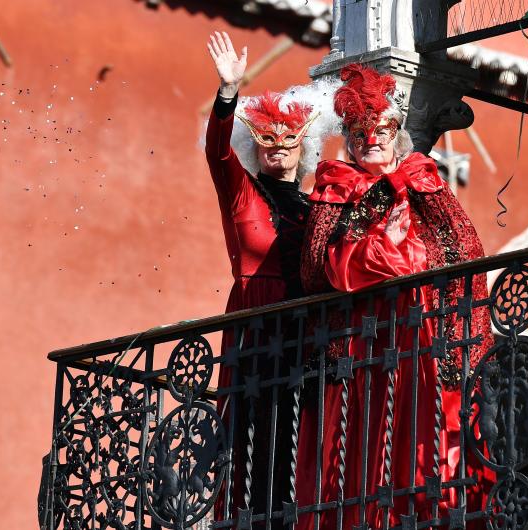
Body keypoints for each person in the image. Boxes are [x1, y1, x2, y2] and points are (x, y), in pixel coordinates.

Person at [294, 64, 493, 528]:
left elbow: (464, 251)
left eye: (380, 130)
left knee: (427, 443)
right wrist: (382, 248)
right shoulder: (335, 189)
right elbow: (315, 271)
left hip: (424, 335)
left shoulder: (425, 179)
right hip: (362, 344)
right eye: (360, 134)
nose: (371, 141)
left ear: (397, 131)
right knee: (362, 447)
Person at [205, 31, 338, 526]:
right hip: (256, 318)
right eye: (268, 142)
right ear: (255, 147)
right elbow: (218, 153)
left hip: (306, 327)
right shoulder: (241, 190)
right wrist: (227, 91)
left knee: (297, 421)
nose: (278, 149)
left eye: (289, 141)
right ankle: (246, 516)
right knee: (249, 421)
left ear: (304, 146)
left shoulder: (316, 208)